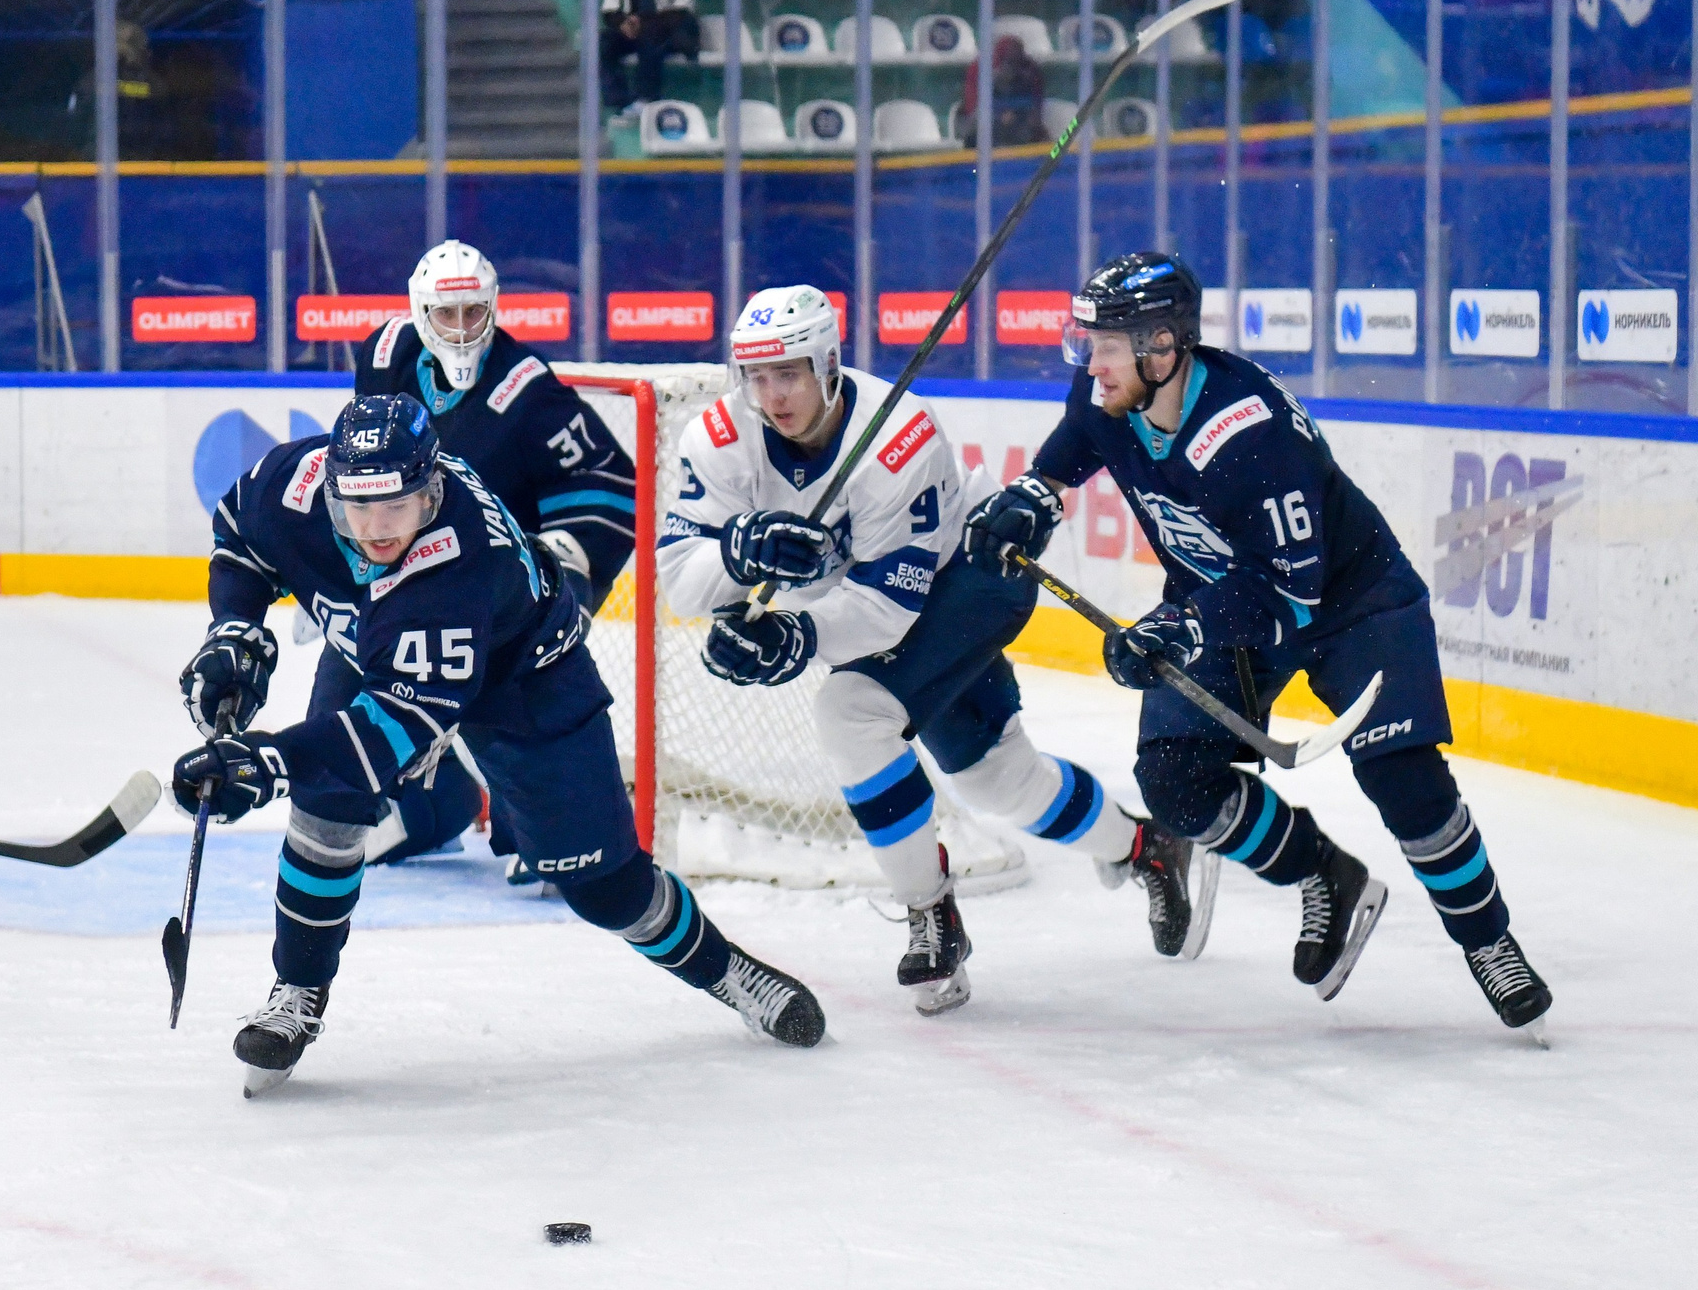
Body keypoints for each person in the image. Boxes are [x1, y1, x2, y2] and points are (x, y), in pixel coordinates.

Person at [963, 251, 1555, 1034]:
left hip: (1349, 599)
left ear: (1165, 347)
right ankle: (1326, 876)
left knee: (1403, 778)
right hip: (1221, 599)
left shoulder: (1248, 436)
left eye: (1106, 344)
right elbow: (1075, 441)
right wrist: (1036, 495)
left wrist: (1183, 625)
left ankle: (1490, 941)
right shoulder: (1110, 392)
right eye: (1089, 341)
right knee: (1175, 782)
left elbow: (1289, 593)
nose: (1088, 360)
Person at [176, 394, 827, 1095]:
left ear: (433, 490)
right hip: (386, 651)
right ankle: (296, 993)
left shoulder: (460, 565)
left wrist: (268, 761)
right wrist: (234, 630)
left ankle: (725, 968)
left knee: (606, 888)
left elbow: (394, 727)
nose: (376, 529)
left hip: (527, 679)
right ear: (329, 488)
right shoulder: (293, 483)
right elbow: (240, 532)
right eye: (358, 509)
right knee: (326, 803)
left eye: (396, 507)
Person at [662, 286, 1197, 1014]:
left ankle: (930, 912)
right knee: (998, 780)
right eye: (756, 376)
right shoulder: (721, 438)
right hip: (884, 604)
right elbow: (679, 581)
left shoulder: (897, 436)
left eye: (788, 373)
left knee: (851, 711)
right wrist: (737, 552)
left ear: (827, 363)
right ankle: (1144, 847)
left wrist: (796, 636)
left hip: (971, 579)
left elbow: (887, 611)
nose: (772, 394)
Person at [292, 238, 636, 868]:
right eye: (444, 314)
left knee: (507, 716)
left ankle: (543, 832)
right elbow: (359, 470)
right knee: (342, 706)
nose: (458, 328)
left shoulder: (528, 391)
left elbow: (608, 482)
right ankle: (434, 804)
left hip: (498, 590)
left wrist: (565, 562)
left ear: (493, 307)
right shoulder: (385, 354)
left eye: (472, 312)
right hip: (402, 574)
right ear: (419, 313)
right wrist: (329, 559)